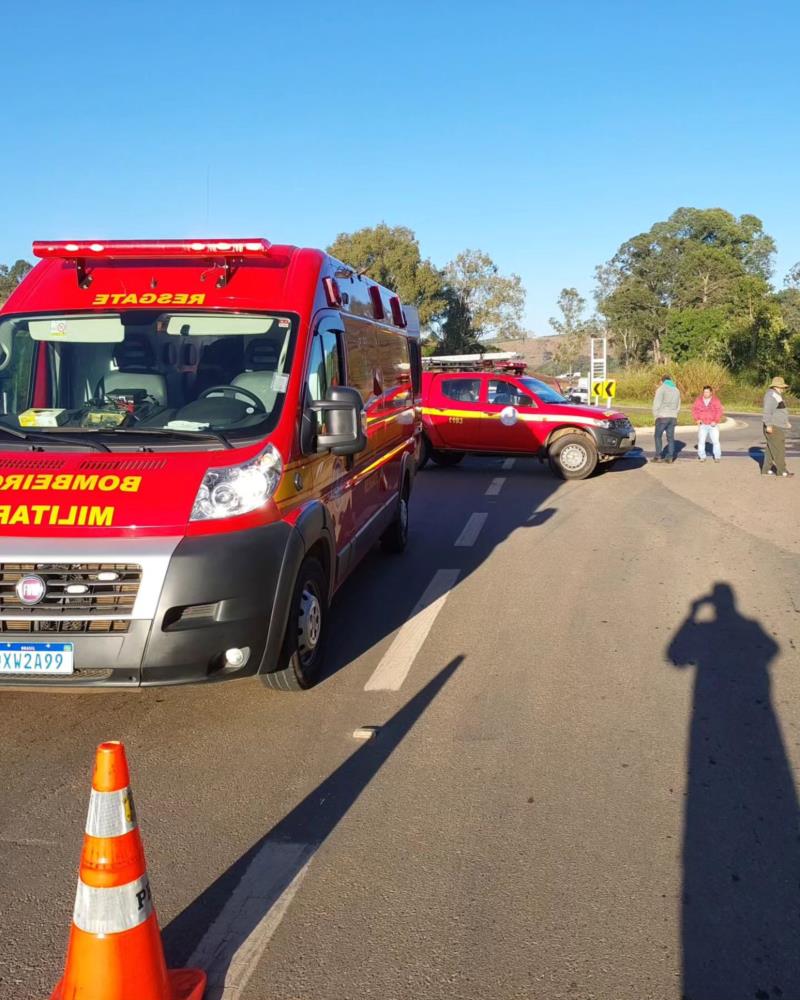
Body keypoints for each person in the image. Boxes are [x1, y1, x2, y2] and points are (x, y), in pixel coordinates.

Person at [762, 376, 793, 477]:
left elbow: (779, 411)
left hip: (777, 425)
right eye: (782, 387)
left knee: (771, 449)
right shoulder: (771, 395)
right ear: (777, 386)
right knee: (779, 449)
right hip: (774, 426)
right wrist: (768, 425)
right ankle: (782, 471)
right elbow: (767, 411)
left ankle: (765, 470)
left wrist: (786, 422)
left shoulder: (776, 395)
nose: (783, 389)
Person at [652, 374, 681, 463]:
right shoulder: (677, 390)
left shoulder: (661, 389)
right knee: (670, 438)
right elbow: (678, 404)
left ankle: (658, 456)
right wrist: (675, 413)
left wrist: (656, 415)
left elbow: (657, 403)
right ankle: (670, 457)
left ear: (662, 381)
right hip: (673, 417)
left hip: (662, 416)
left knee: (657, 436)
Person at [691, 385, 724, 462]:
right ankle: (702, 456)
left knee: (715, 441)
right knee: (701, 441)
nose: (706, 393)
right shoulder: (698, 400)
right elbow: (694, 410)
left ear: (711, 392)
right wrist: (697, 419)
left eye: (707, 392)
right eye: (704, 392)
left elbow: (719, 411)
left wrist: (715, 421)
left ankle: (717, 456)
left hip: (713, 425)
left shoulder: (715, 400)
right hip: (702, 424)